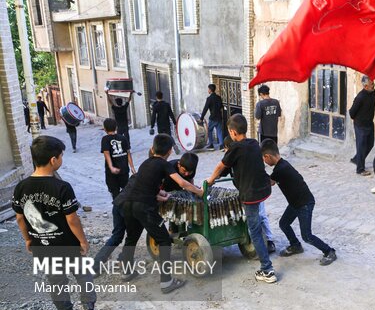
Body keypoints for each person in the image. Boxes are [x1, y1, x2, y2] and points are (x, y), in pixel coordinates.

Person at [11, 135, 97, 310]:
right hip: (68, 243)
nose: (61, 159)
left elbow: (19, 218)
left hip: (42, 246)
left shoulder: (21, 187)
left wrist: (27, 239)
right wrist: (83, 241)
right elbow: (72, 219)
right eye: (61, 156)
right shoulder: (62, 187)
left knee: (56, 281)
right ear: (53, 160)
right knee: (83, 275)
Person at [118, 134, 203, 293]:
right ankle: (166, 282)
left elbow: (146, 187)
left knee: (131, 237)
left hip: (128, 203)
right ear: (170, 151)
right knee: (164, 240)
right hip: (143, 207)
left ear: (153, 148)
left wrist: (160, 195)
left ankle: (126, 272)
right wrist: (199, 192)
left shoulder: (145, 163)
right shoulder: (164, 165)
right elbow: (183, 183)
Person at [207, 114, 277, 283]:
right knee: (257, 221)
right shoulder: (253, 143)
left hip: (251, 195)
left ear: (232, 132)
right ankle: (264, 251)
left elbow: (221, 166)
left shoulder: (235, 148)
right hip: (262, 190)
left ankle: (267, 270)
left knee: (255, 232)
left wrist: (209, 181)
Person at [261, 139, 337, 265]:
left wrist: (258, 171)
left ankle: (329, 251)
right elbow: (272, 181)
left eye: (264, 159)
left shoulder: (281, 169)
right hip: (295, 203)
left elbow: (270, 182)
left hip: (304, 204)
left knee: (307, 236)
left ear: (267, 156)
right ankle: (296, 246)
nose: (264, 162)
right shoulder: (281, 165)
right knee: (284, 223)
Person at [221, 136, 276, 253]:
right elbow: (223, 170)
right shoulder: (232, 157)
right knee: (256, 218)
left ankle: (269, 241)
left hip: (255, 191)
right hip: (246, 192)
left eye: (225, 149)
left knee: (261, 215)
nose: (225, 152)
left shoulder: (242, 154)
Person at [101, 118, 135, 199]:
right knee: (125, 191)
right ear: (116, 127)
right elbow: (128, 153)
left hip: (112, 173)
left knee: (115, 192)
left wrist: (111, 167)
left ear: (105, 129)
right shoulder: (123, 138)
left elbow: (107, 153)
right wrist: (132, 167)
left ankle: (118, 209)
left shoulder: (105, 139)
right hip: (124, 169)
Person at [349, 76, 375, 176]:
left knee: (370, 144)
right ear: (365, 86)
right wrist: (359, 119)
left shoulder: (373, 92)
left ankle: (356, 159)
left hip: (370, 123)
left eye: (373, 83)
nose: (373, 85)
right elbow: (352, 112)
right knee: (361, 146)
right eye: (371, 84)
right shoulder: (360, 97)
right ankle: (360, 169)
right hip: (360, 125)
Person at [200, 84, 224, 151]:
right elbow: (221, 106)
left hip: (213, 118)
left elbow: (205, 109)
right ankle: (221, 145)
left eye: (208, 89)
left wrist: (201, 118)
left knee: (209, 130)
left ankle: (211, 144)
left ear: (210, 90)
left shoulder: (209, 99)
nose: (208, 90)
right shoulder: (218, 97)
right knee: (219, 131)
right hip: (219, 117)